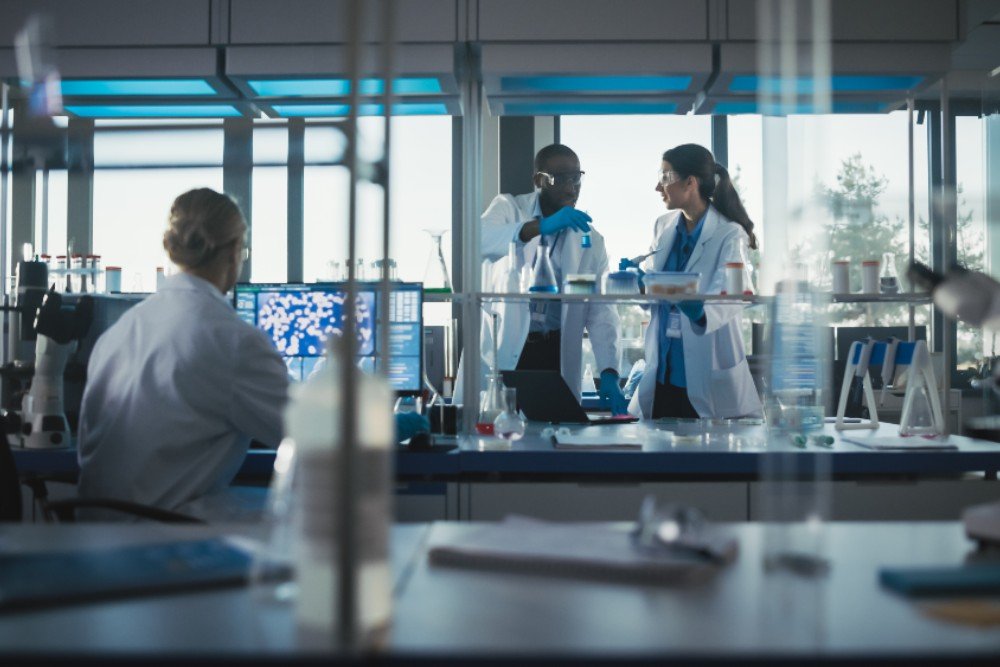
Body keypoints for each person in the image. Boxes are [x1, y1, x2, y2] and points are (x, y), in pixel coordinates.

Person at [77, 188, 290, 519]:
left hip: (92, 542)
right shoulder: (232, 340)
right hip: (162, 546)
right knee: (299, 511)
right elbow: (319, 432)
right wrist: (395, 420)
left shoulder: (119, 332)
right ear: (235, 252)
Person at [454, 144, 626, 414]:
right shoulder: (509, 208)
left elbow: (601, 309)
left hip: (554, 351)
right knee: (497, 434)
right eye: (561, 179)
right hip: (508, 346)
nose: (572, 188)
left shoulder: (591, 240)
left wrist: (609, 370)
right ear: (539, 181)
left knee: (553, 435)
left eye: (576, 177)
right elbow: (479, 239)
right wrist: (540, 227)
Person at [630, 144, 762, 420]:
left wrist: (701, 311)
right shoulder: (663, 226)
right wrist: (639, 284)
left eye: (665, 177)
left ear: (690, 182)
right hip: (663, 370)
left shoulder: (729, 233)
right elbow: (654, 294)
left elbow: (735, 292)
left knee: (703, 459)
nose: (658, 186)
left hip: (705, 372)